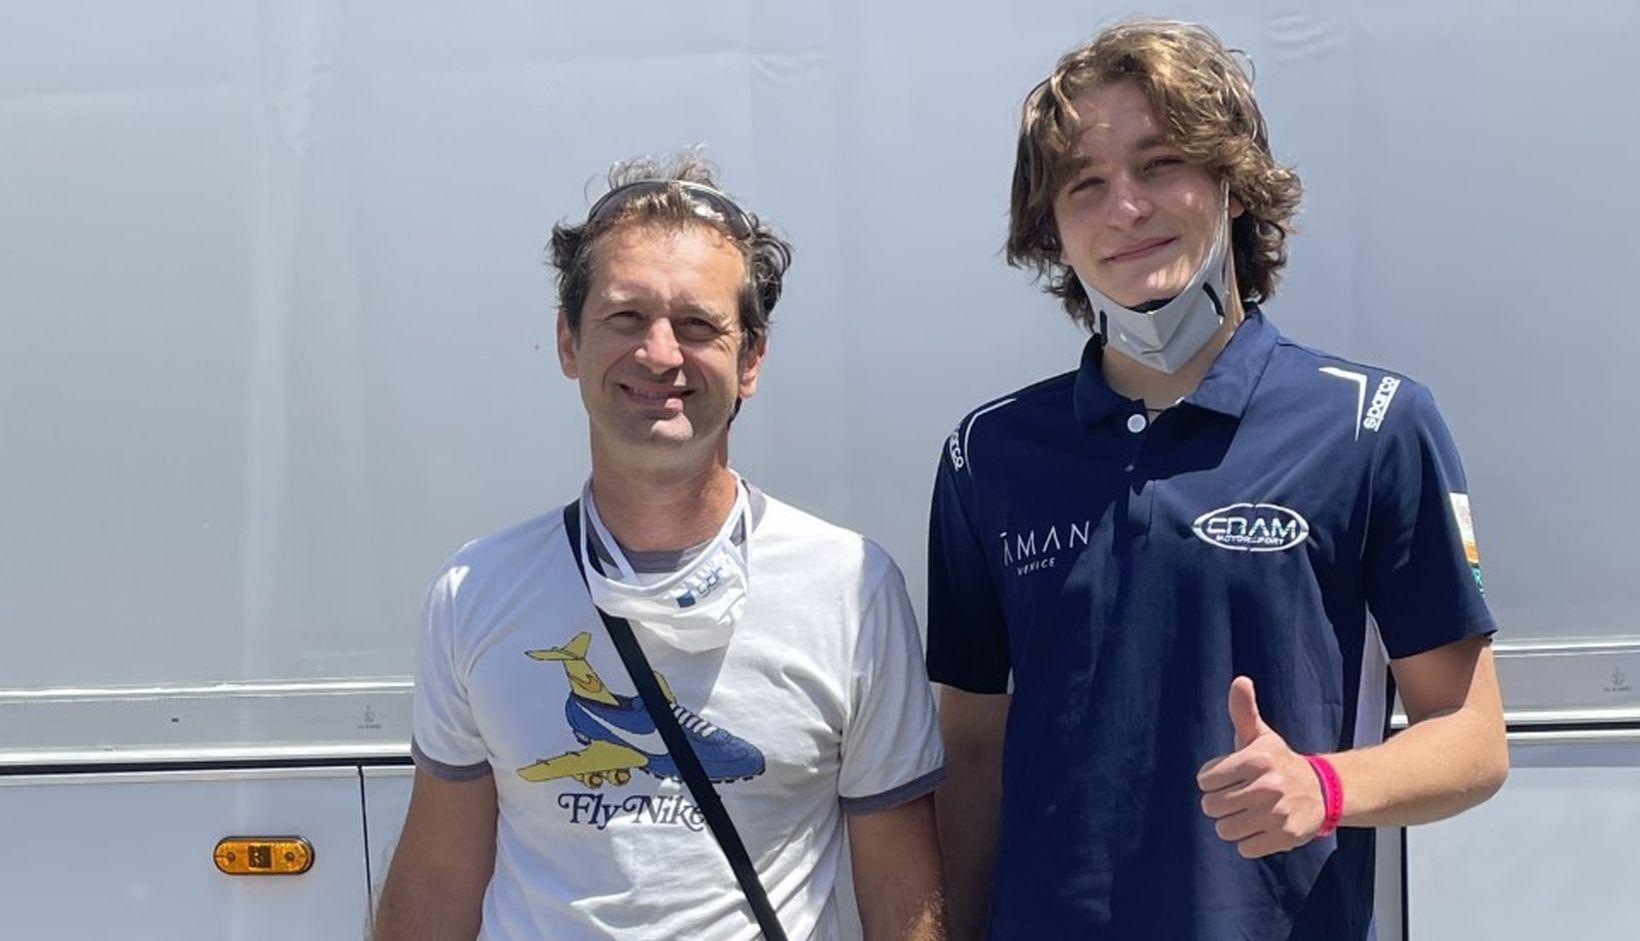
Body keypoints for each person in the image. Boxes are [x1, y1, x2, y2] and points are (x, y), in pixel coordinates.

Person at [927, 19, 1507, 941]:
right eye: (1084, 184)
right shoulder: (986, 454)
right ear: (1052, 229)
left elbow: (1472, 738)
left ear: (1233, 182)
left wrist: (1324, 785)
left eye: (1160, 164)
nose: (1126, 208)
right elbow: (971, 755)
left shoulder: (1372, 424)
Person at [375, 153, 946, 941]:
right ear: (569, 342)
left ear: (751, 359)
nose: (660, 353)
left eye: (698, 324)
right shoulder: (475, 592)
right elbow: (438, 883)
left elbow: (898, 888)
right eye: (625, 316)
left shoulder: (850, 587)